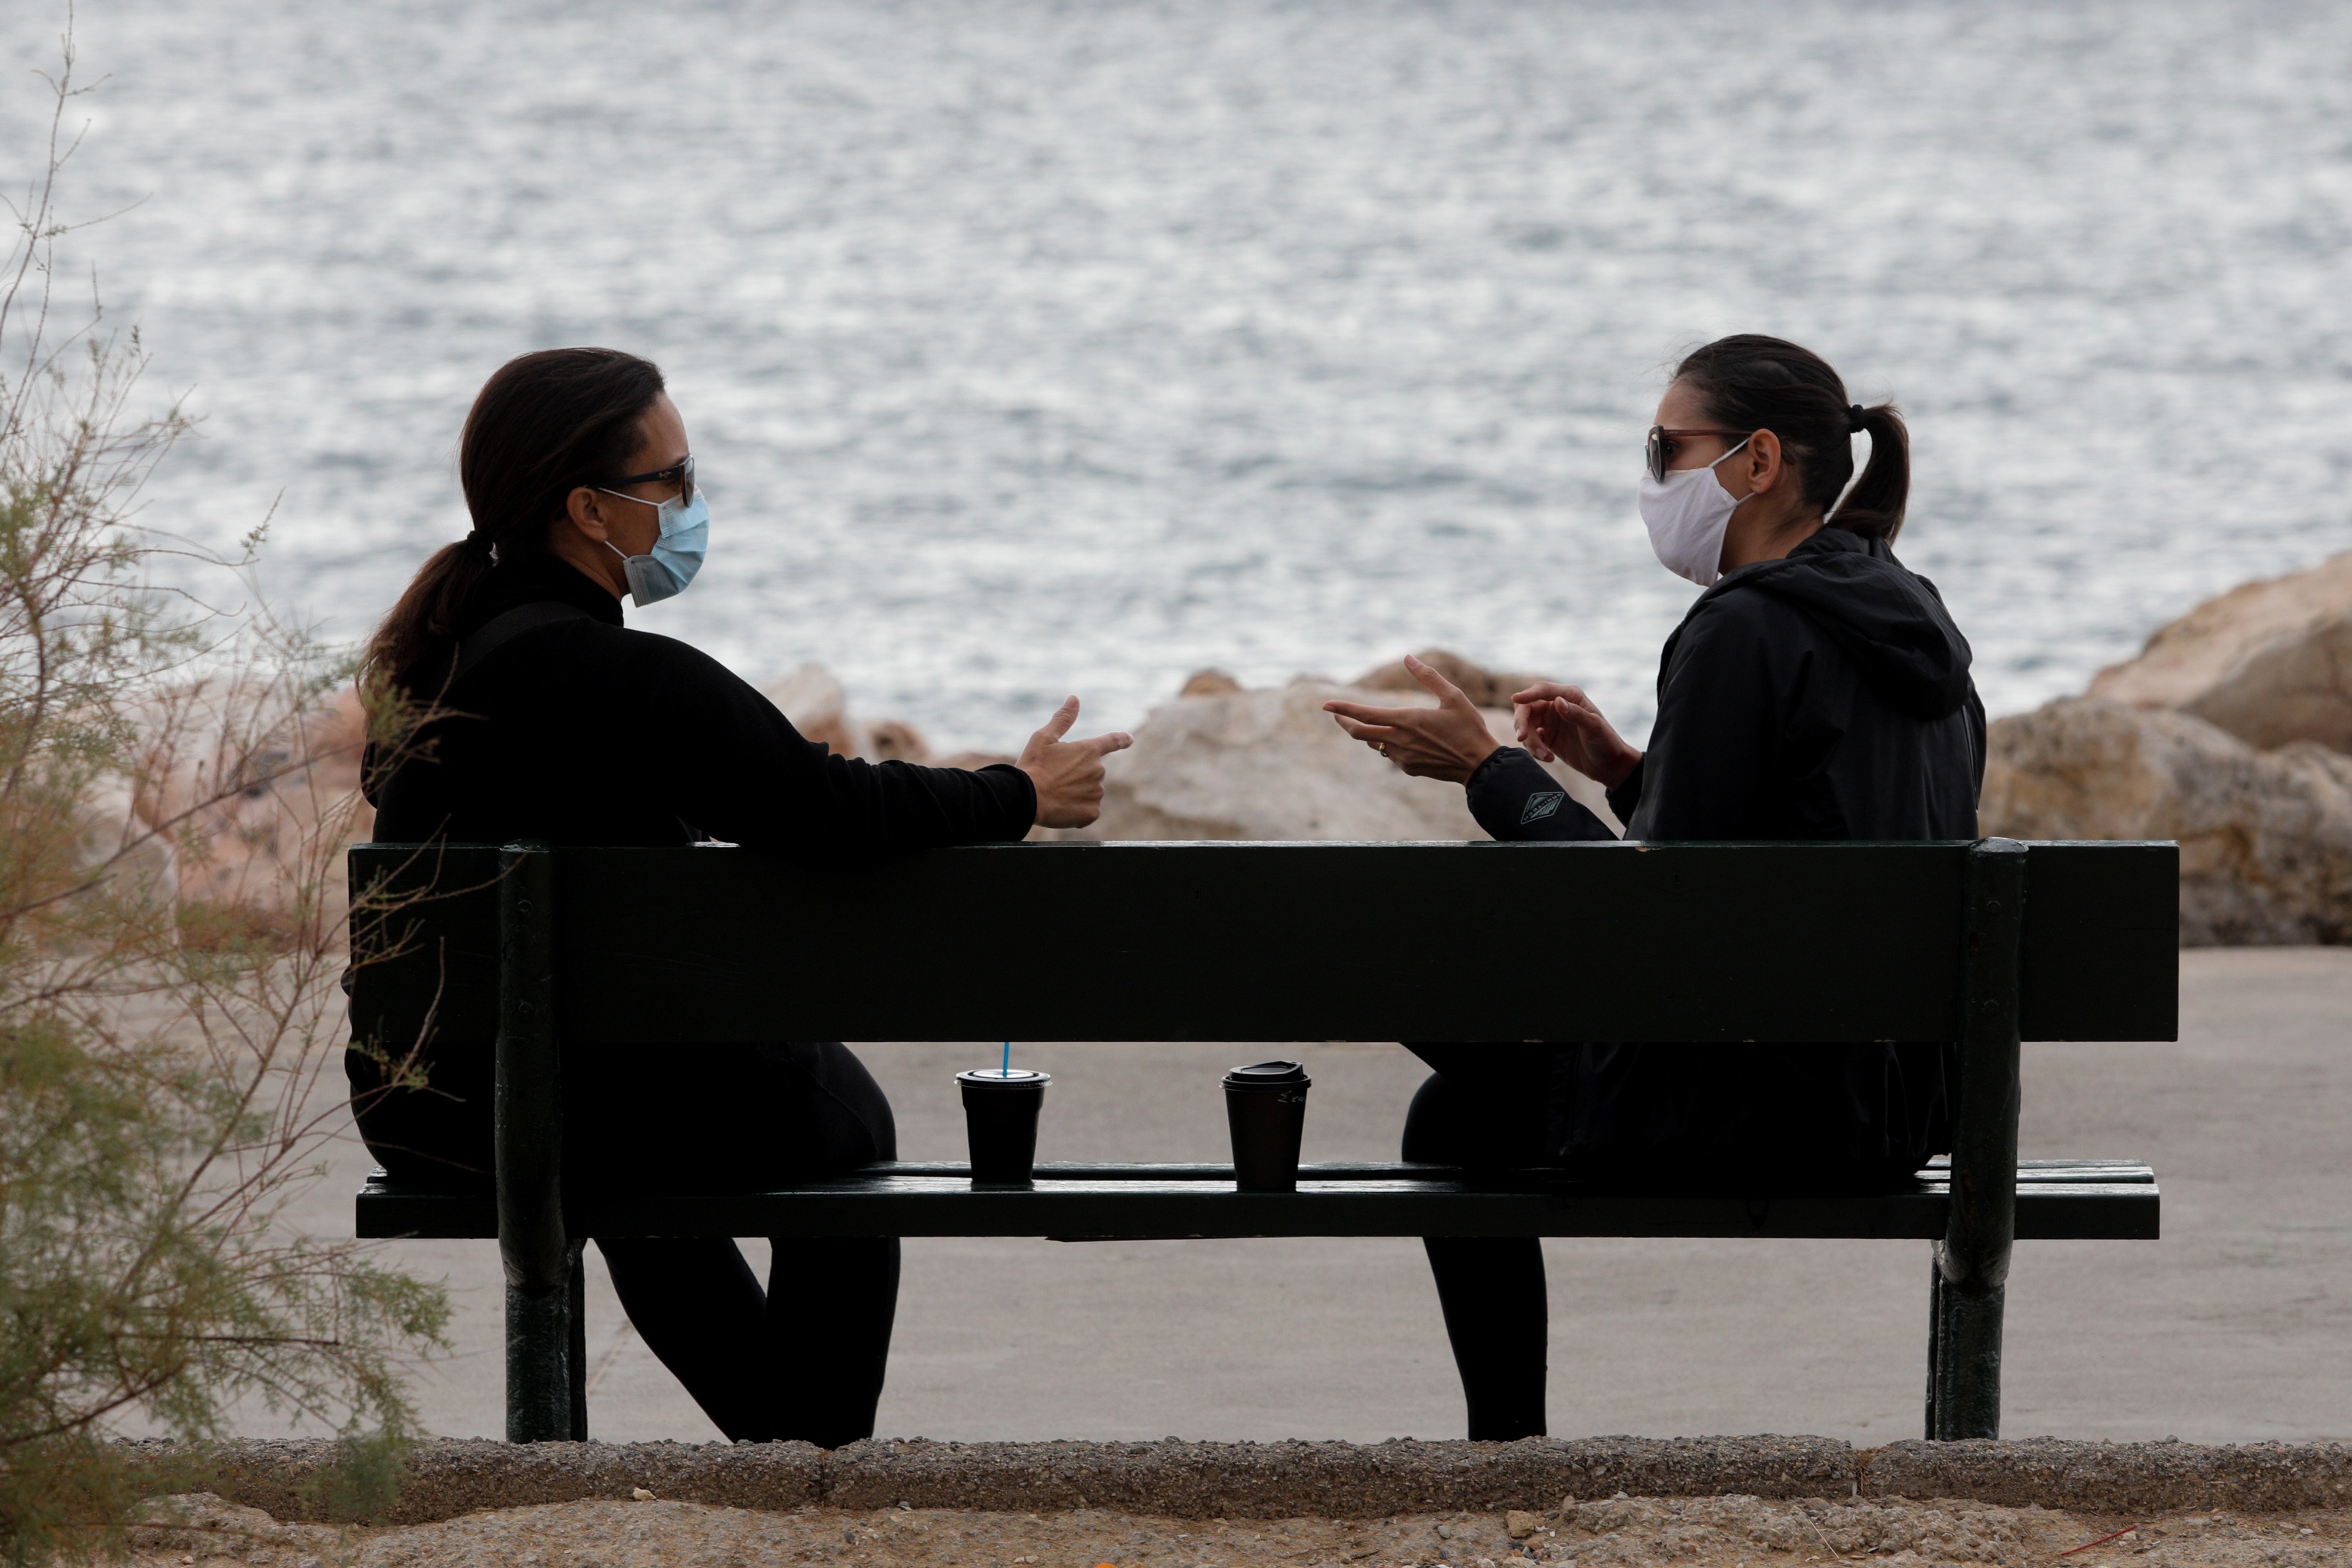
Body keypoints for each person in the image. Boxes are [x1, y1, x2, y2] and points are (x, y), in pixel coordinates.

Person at [349, 346, 1130, 1447]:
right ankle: (813, 1449)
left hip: (429, 1111)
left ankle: (782, 1432)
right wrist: (1019, 794)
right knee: (847, 1124)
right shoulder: (627, 680)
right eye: (671, 481)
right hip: (577, 1110)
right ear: (586, 508)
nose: (693, 502)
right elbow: (827, 809)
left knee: (634, 1123)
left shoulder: (434, 669)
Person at [1322, 334, 1985, 1440]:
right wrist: (1627, 774)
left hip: (1772, 1104)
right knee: (1461, 1099)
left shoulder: (1743, 628)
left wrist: (1488, 775)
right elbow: (1771, 854)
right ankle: (1506, 1451)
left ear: (1760, 461)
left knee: (1419, 1032)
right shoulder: (1909, 618)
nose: (1654, 478)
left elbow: (1646, 924)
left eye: (1667, 449)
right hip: (1896, 1098)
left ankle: (1509, 1452)